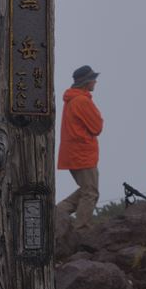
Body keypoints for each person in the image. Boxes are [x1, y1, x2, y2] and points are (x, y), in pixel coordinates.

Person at [56, 65, 104, 227]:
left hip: (74, 153)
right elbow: (97, 127)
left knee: (87, 190)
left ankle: (56, 213)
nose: (95, 82)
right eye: (93, 79)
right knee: (90, 192)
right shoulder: (82, 101)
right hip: (82, 153)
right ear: (86, 82)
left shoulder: (72, 100)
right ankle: (82, 229)